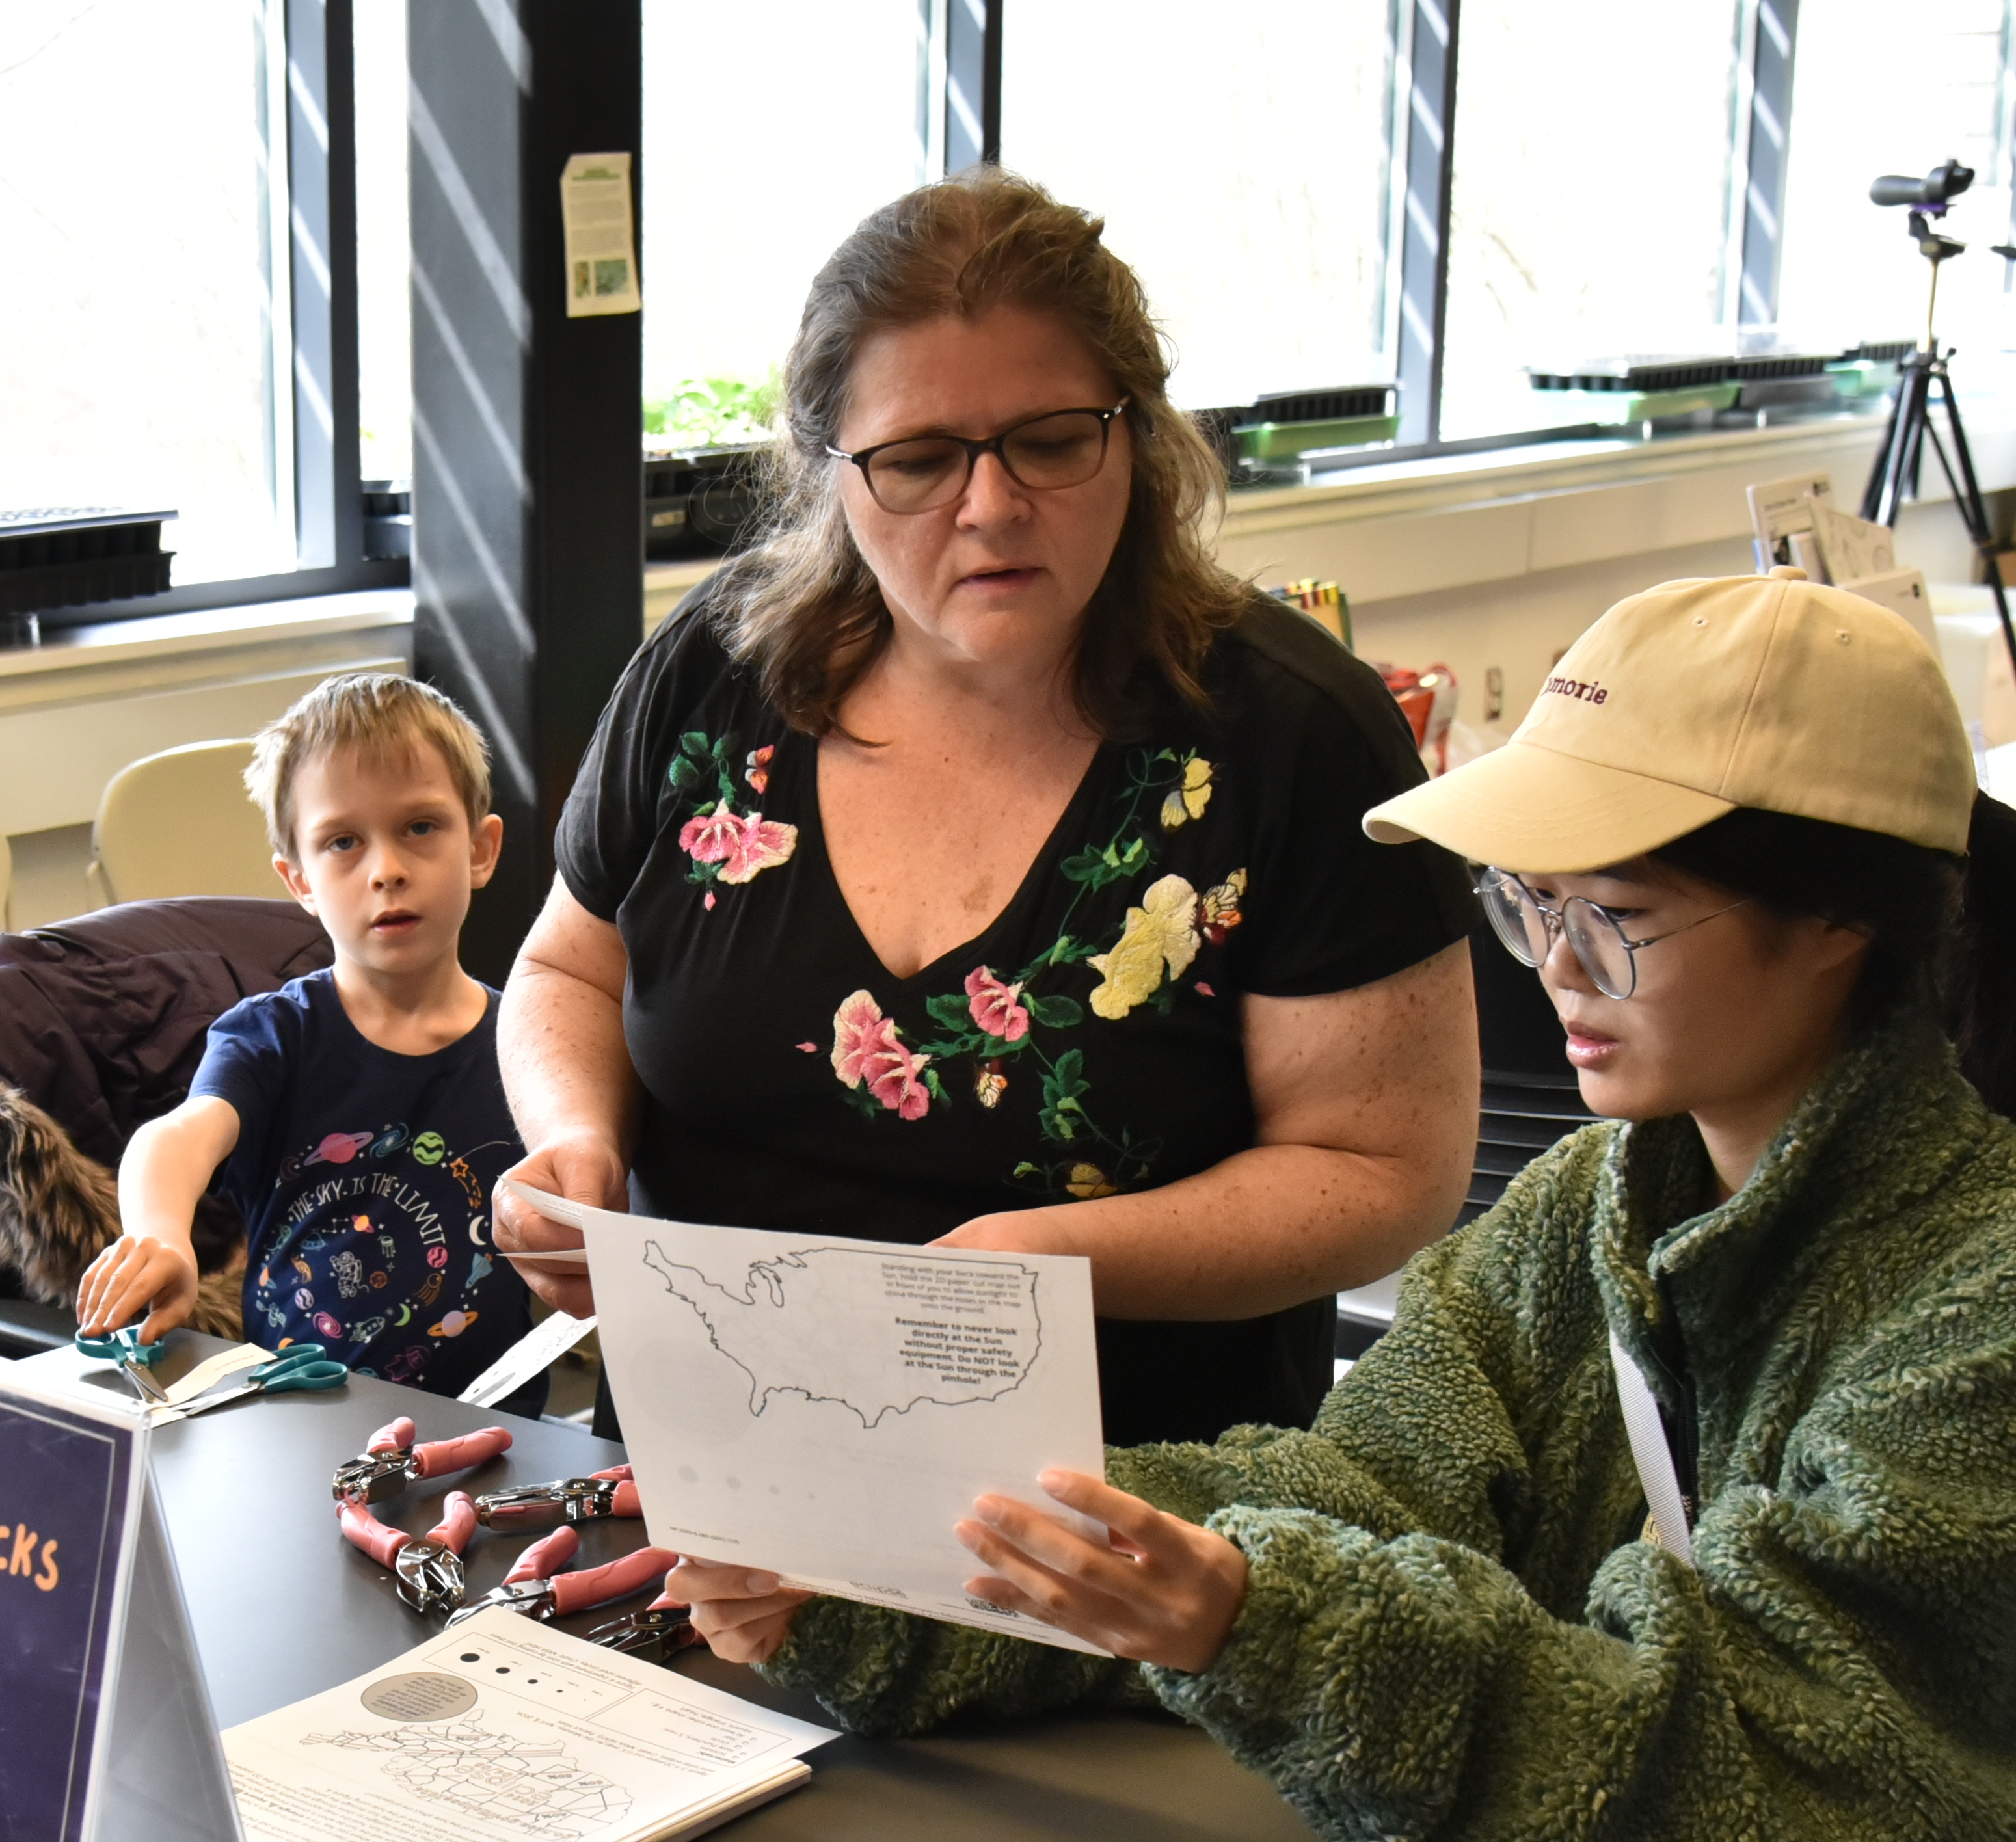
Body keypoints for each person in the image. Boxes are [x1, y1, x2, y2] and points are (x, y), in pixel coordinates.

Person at [679, 572, 2016, 1842]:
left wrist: (1256, 1622)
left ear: (1839, 922)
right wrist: (888, 1560)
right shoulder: (1590, 1205)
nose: (1554, 972)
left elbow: (1753, 1748)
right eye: (1530, 906)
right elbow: (1359, 1485)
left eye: (1615, 917)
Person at [496, 168, 1480, 1447]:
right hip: (708, 1470)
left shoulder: (1289, 734)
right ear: (828, 473)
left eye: (1052, 440)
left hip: (1122, 1521)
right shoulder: (716, 667)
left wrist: (1032, 1261)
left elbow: (1382, 1171)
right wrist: (573, 1145)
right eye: (915, 460)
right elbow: (569, 965)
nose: (991, 505)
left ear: (1136, 435)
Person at [74, 675, 533, 1400]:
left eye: (420, 827)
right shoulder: (272, 1035)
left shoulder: (531, 1044)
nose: (387, 870)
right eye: (343, 842)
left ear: (480, 848)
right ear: (300, 882)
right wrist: (162, 1236)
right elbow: (178, 1136)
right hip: (293, 1419)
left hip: (486, 1442)